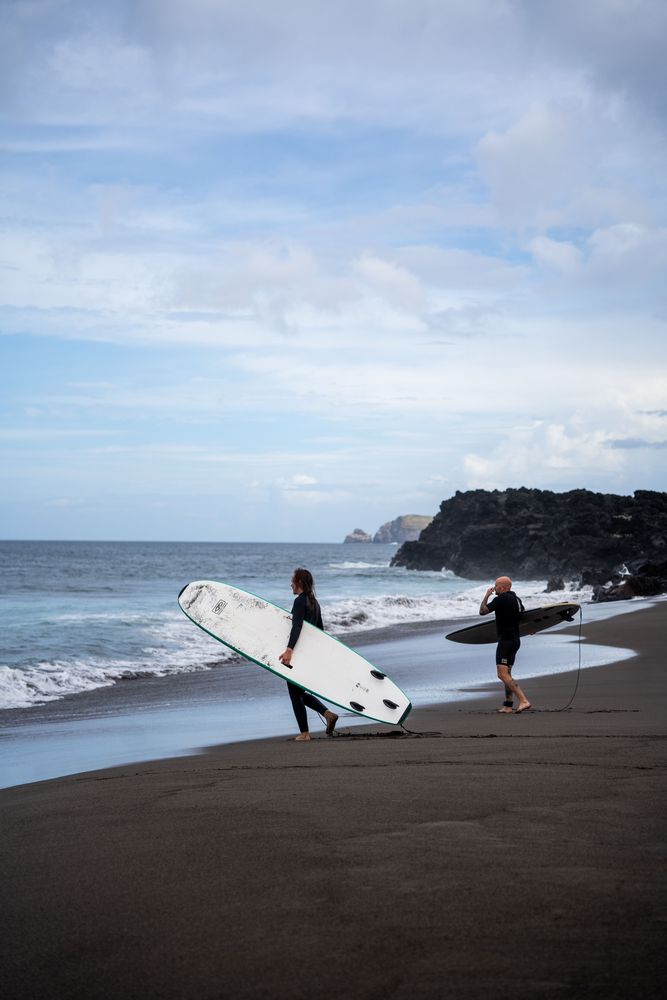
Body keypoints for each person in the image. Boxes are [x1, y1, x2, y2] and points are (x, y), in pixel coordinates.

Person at [279, 568, 338, 741]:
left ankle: (305, 733)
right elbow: (321, 631)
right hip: (309, 655)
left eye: (293, 580)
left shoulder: (299, 602)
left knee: (294, 693)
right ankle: (328, 714)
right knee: (298, 692)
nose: (290, 583)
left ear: (299, 583)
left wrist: (289, 650)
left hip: (297, 653)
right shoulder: (315, 602)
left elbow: (296, 626)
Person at [479, 575, 532, 714]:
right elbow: (524, 617)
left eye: (496, 586)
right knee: (507, 673)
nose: (494, 588)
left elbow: (482, 611)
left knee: (502, 675)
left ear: (502, 587)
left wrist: (486, 596)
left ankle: (524, 700)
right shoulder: (517, 600)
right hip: (515, 641)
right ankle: (508, 705)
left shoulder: (501, 599)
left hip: (505, 641)